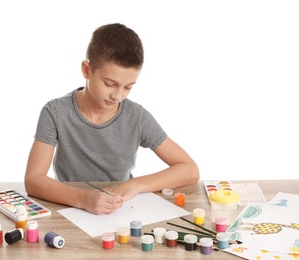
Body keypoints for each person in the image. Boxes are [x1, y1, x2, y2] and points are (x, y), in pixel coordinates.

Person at [24, 23, 199, 215]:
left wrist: (136, 184)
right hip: (70, 207)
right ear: (86, 70)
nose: (117, 96)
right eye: (109, 84)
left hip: (120, 209)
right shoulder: (55, 112)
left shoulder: (137, 117)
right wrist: (83, 198)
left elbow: (189, 170)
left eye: (128, 87)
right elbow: (33, 179)